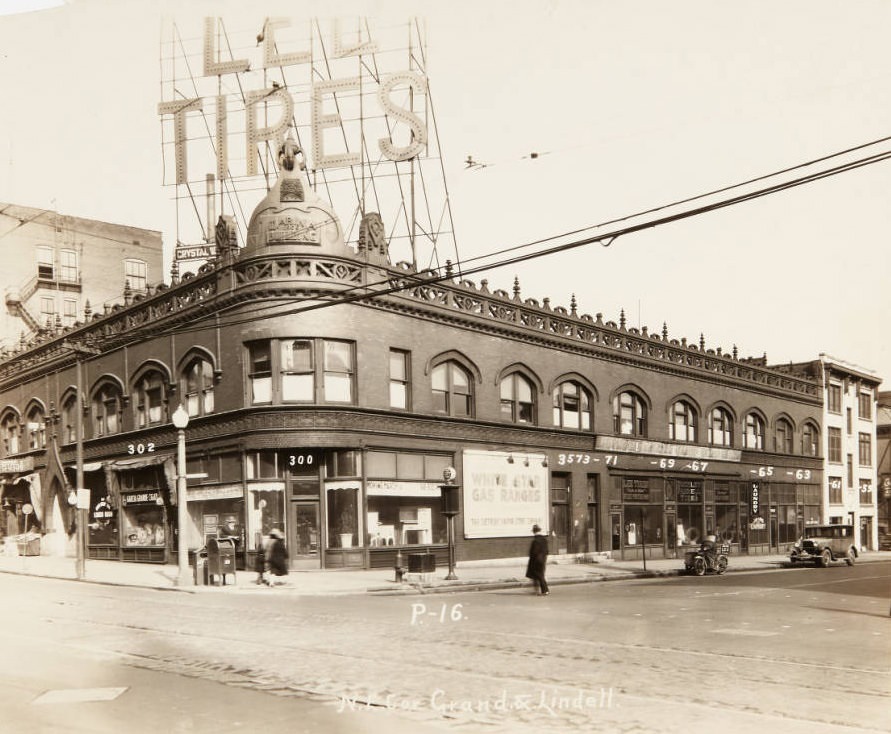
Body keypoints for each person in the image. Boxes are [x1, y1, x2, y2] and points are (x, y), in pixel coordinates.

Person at [525, 524, 549, 595]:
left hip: (536, 561)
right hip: (543, 560)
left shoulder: (535, 541)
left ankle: (545, 590)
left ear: (534, 532)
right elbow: (547, 551)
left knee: (539, 575)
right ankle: (538, 590)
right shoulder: (544, 540)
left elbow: (534, 552)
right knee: (538, 575)